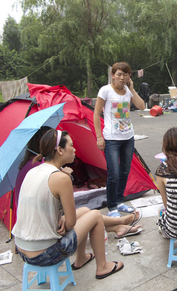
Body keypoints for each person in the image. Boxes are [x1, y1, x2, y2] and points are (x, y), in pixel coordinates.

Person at [12, 130, 124, 279]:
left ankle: (81, 258)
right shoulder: (60, 178)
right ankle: (102, 267)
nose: (74, 149)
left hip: (22, 249)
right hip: (45, 254)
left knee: (84, 210)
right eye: (71, 145)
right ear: (59, 150)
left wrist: (64, 218)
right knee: (96, 215)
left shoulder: (33, 170)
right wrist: (66, 219)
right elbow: (70, 223)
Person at [94, 62, 145, 218]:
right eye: (119, 74)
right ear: (113, 75)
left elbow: (142, 106)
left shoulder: (128, 91)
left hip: (128, 137)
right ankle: (112, 206)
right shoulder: (106, 90)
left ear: (129, 76)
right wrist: (99, 137)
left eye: (125, 74)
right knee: (113, 173)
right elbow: (96, 114)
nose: (122, 77)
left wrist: (132, 89)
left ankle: (120, 201)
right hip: (111, 139)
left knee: (124, 171)